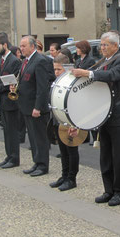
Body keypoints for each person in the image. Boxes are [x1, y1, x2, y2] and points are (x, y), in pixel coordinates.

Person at [72, 31, 120, 207]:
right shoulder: (104, 60)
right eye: (102, 45)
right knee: (105, 156)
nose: (102, 48)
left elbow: (112, 75)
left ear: (116, 45)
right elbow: (96, 74)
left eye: (105, 45)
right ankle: (109, 190)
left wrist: (88, 73)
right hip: (104, 115)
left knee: (118, 157)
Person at [14, 36, 54, 177]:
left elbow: (42, 87)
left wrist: (38, 107)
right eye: (20, 45)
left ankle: (43, 165)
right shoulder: (26, 61)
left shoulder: (40, 61)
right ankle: (36, 162)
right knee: (32, 137)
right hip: (26, 105)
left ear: (33, 46)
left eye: (24, 46)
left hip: (36, 108)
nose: (21, 48)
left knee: (40, 138)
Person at [49, 54, 80, 191]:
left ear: (67, 69)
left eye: (58, 70)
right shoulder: (57, 81)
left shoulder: (74, 82)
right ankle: (64, 175)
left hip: (70, 121)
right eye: (54, 69)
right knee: (63, 150)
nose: (56, 73)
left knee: (71, 150)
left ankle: (72, 179)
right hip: (58, 119)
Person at [0, 35, 22, 169]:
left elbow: (11, 81)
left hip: (11, 101)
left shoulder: (14, 61)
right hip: (3, 100)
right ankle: (8, 155)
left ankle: (14, 158)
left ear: (5, 45)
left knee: (12, 131)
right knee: (6, 130)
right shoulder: (2, 60)